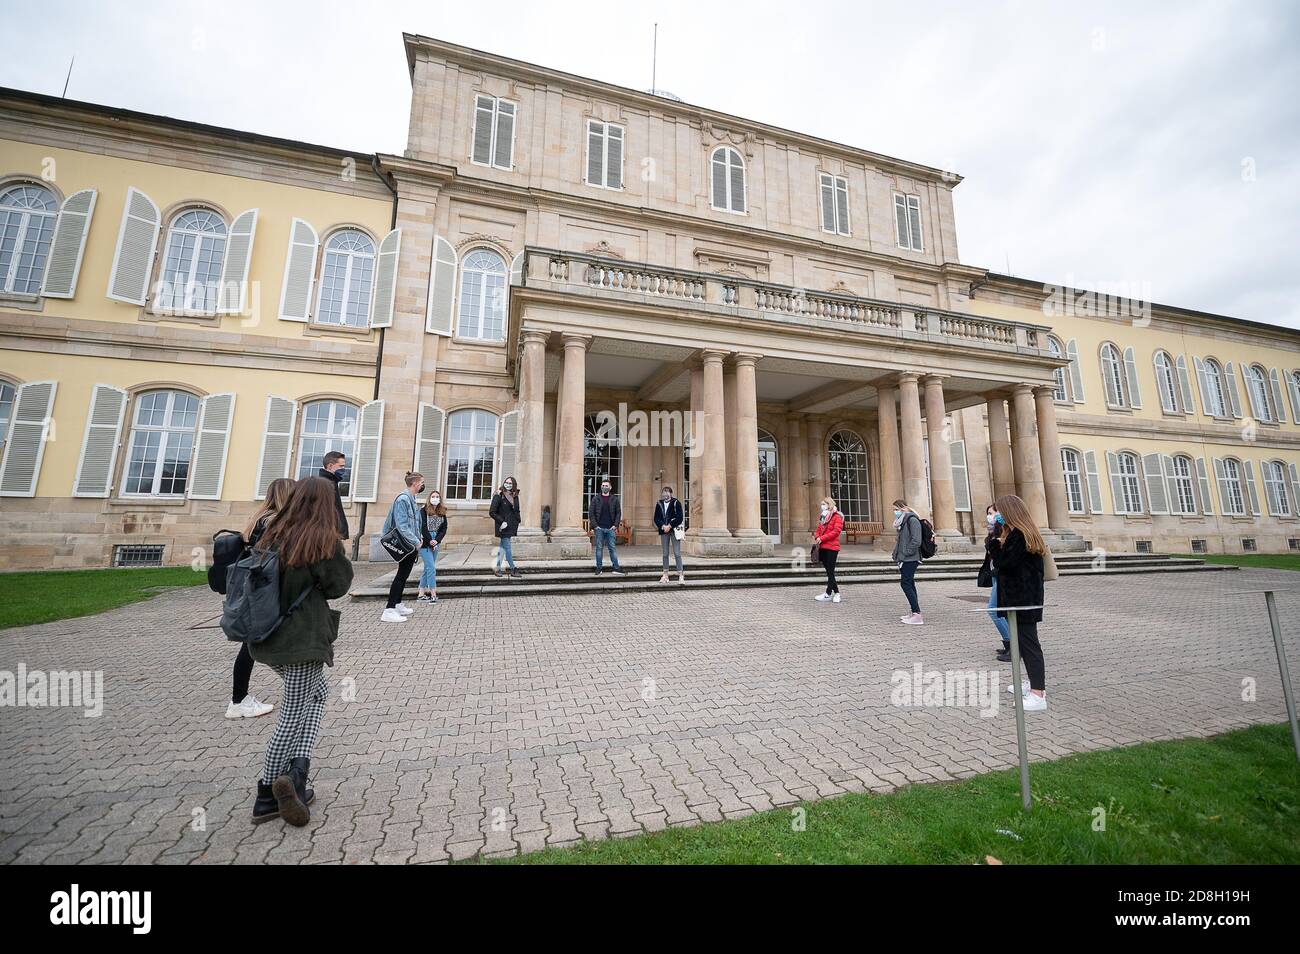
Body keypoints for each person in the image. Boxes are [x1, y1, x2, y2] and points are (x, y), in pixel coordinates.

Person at [247, 475, 354, 826]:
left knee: (318, 693)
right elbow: (338, 585)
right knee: (293, 711)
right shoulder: (322, 539)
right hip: (302, 639)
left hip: (266, 638)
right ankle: (268, 791)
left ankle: (297, 775)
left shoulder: (272, 532)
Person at [225, 477, 294, 720]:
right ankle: (239, 700)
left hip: (254, 585)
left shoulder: (259, 519)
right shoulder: (277, 522)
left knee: (252, 643)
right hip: (267, 587)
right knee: (257, 642)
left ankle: (239, 698)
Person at [989, 493, 1048, 712]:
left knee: (1029, 644)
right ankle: (1033, 683)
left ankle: (1038, 693)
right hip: (1021, 598)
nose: (997, 517)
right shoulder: (1019, 534)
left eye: (1000, 513)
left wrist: (993, 545)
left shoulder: (1021, 535)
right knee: (1023, 643)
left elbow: (1006, 563)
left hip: (1023, 600)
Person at [379, 471, 423, 623]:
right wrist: (416, 542)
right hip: (406, 543)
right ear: (415, 483)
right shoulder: (403, 499)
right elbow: (402, 525)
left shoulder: (411, 499)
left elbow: (415, 523)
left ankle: (397, 604)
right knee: (401, 575)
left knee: (404, 575)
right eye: (421, 483)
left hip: (410, 543)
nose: (422, 485)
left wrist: (419, 538)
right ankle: (389, 609)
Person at [977, 503, 1013, 661]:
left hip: (1002, 575)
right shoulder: (992, 533)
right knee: (1000, 612)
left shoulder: (1006, 533)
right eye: (988, 513)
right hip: (995, 574)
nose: (989, 516)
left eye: (991, 513)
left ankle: (1014, 645)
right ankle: (1009, 645)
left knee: (994, 611)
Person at [892, 498, 924, 624]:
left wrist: (906, 553)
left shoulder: (912, 519)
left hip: (911, 558)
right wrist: (896, 554)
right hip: (905, 557)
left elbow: (916, 540)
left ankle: (917, 615)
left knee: (905, 583)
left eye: (896, 509)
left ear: (903, 508)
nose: (895, 512)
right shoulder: (903, 521)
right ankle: (915, 611)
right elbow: (901, 540)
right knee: (909, 583)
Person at [589, 477, 626, 576]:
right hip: (599, 528)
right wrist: (595, 526)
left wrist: (615, 525)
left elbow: (618, 513)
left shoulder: (614, 499)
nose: (604, 487)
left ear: (610, 487)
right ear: (601, 487)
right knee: (599, 549)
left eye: (606, 486)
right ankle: (599, 568)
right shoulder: (596, 499)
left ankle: (616, 568)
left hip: (611, 529)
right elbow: (591, 513)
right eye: (603, 486)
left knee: (612, 548)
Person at [417, 488, 448, 602]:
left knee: (427, 568)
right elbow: (423, 527)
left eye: (437, 497)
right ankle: (433, 593)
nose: (435, 499)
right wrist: (430, 541)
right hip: (425, 542)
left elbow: (444, 528)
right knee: (431, 568)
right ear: (429, 498)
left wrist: (437, 540)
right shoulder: (423, 511)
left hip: (436, 541)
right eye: (433, 497)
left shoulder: (442, 511)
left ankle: (421, 594)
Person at [489, 476, 522, 579]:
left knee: (503, 548)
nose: (508, 484)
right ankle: (513, 568)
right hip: (503, 526)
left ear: (514, 485)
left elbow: (516, 510)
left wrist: (518, 519)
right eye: (506, 482)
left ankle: (497, 568)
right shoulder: (499, 495)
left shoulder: (515, 495)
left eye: (510, 483)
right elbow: (492, 512)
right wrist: (501, 521)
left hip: (512, 525)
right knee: (507, 547)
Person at [811, 496, 843, 603]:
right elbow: (819, 529)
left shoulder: (837, 516)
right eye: (822, 504)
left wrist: (822, 538)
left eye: (824, 504)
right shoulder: (823, 516)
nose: (822, 506)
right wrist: (816, 536)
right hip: (823, 547)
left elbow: (836, 532)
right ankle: (836, 593)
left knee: (830, 571)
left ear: (829, 505)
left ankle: (830, 593)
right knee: (829, 572)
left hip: (832, 547)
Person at [653, 485, 685, 584]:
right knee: (665, 553)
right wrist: (662, 526)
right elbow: (656, 518)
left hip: (674, 530)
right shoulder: (659, 503)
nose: (665, 493)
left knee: (677, 553)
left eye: (667, 491)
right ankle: (665, 575)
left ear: (671, 493)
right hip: (664, 531)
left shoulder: (676, 502)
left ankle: (681, 574)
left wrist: (669, 525)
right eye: (664, 491)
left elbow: (680, 517)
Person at [319, 451, 349, 540]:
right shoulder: (324, 484)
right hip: (329, 534)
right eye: (341, 466)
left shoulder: (332, 482)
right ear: (330, 466)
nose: (343, 469)